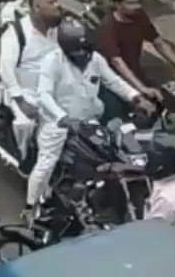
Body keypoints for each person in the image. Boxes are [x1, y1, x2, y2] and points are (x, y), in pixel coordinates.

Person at [26, 17, 153, 214]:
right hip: (59, 124)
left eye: (85, 50)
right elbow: (44, 95)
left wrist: (136, 97)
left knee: (110, 154)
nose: (83, 55)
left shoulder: (96, 59)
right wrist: (63, 118)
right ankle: (30, 206)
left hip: (89, 120)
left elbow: (113, 81)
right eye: (77, 52)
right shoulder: (52, 62)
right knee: (46, 164)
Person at [0, 0, 64, 160]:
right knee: (25, 123)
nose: (58, 6)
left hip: (54, 89)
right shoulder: (16, 33)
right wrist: (21, 101)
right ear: (36, 7)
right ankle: (22, 157)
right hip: (25, 92)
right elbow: (6, 70)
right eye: (51, 2)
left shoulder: (58, 30)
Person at [94, 0, 175, 98]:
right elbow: (117, 62)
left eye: (138, 2)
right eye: (130, 3)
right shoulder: (108, 26)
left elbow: (158, 42)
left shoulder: (140, 16)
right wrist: (142, 88)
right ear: (117, 4)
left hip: (135, 71)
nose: (136, 6)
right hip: (114, 79)